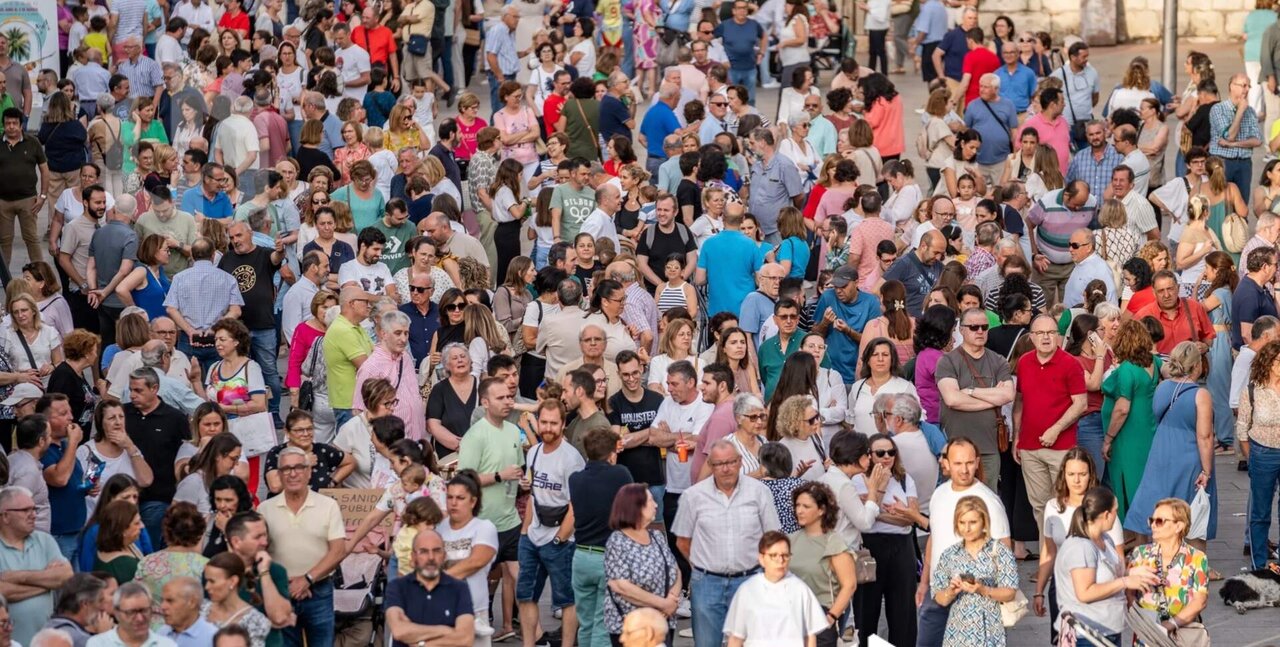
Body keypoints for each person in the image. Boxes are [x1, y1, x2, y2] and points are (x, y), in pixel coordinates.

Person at [671, 440, 780, 647]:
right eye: (719, 464)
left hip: (750, 580)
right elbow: (683, 540)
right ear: (711, 466)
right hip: (707, 584)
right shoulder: (693, 496)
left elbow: (773, 536)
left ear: (740, 462)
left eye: (731, 462)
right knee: (706, 643)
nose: (726, 468)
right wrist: (701, 567)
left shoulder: (759, 491)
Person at [256, 447, 346, 647]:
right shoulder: (264, 509)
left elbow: (338, 550)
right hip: (280, 591)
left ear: (308, 471)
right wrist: (284, 582)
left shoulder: (328, 505)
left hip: (319, 590)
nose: (293, 473)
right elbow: (258, 550)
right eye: (286, 469)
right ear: (279, 474)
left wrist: (307, 579)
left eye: (298, 467)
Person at [515, 398, 581, 647]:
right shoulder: (533, 452)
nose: (548, 428)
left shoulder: (571, 458)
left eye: (554, 423)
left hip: (560, 539)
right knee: (526, 596)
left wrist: (560, 538)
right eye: (543, 422)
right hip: (532, 536)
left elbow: (576, 505)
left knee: (566, 599)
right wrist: (524, 532)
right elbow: (533, 493)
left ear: (563, 424)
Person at [935, 307, 1015, 490]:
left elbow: (1008, 395)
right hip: (956, 449)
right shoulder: (947, 361)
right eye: (973, 327)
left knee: (988, 502)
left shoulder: (999, 361)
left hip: (989, 449)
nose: (980, 331)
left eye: (984, 327)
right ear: (961, 329)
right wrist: (994, 397)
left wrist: (970, 391)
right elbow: (952, 400)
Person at [930, 496, 1020, 647]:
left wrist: (983, 589)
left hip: (991, 634)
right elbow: (939, 597)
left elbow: (1010, 592)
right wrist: (951, 591)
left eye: (973, 522)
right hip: (957, 636)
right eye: (962, 522)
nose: (967, 528)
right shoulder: (950, 554)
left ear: (984, 522)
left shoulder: (1000, 552)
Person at [602, 481, 677, 646]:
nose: (656, 505)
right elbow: (620, 586)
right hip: (633, 628)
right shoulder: (617, 541)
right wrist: (662, 604)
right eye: (651, 501)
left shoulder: (657, 536)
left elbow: (674, 569)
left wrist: (672, 599)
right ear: (637, 507)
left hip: (661, 625)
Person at [1101, 319, 1161, 523]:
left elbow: (1122, 408)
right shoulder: (1154, 362)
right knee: (1145, 484)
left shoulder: (1127, 369)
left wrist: (1108, 438)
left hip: (1127, 436)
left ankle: (1134, 534)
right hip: (1148, 431)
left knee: (1127, 484)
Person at [0, 485, 73, 646]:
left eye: (34, 509)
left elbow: (66, 576)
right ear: (5, 516)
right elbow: (2, 592)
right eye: (26, 510)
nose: (33, 515)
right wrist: (47, 584)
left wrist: (16, 576)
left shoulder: (44, 540)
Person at [1127, 498, 1211, 638]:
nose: (1153, 525)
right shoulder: (1141, 554)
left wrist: (1171, 624)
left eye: (1159, 521)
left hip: (1182, 636)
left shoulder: (1196, 558)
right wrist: (1140, 620)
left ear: (1179, 526)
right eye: (1151, 520)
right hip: (1147, 634)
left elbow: (1200, 601)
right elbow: (1130, 594)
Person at [788, 481, 855, 647]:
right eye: (797, 505)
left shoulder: (833, 543)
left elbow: (849, 585)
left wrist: (831, 617)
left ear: (821, 510)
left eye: (806, 506)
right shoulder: (791, 540)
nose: (799, 511)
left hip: (820, 615)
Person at [385, 529, 476, 647]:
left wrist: (421, 643)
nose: (431, 557)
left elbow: (465, 639)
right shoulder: (397, 587)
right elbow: (399, 631)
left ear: (444, 556)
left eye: (437, 551)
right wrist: (446, 631)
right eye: (423, 551)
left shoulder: (459, 588)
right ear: (413, 557)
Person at [85, 583, 176, 647]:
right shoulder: (98, 644)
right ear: (117, 613)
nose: (140, 618)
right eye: (131, 613)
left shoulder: (166, 644)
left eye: (144, 611)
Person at [92, 499, 144, 583]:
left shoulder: (124, 546)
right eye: (137, 523)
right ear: (123, 529)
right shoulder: (125, 565)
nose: (142, 526)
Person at [158, 576, 219, 647]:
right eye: (162, 600)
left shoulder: (213, 638)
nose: (163, 606)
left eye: (170, 601)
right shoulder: (162, 633)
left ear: (192, 603)